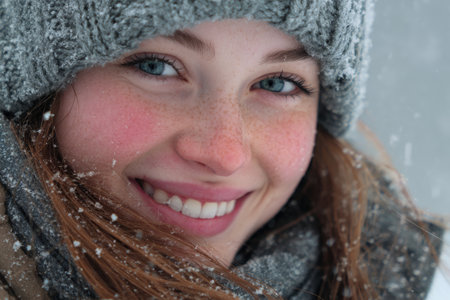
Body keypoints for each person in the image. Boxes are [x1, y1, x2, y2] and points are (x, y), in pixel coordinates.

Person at [0, 1, 445, 299]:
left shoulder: (410, 278)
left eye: (276, 83)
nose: (223, 154)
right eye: (156, 67)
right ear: (39, 84)